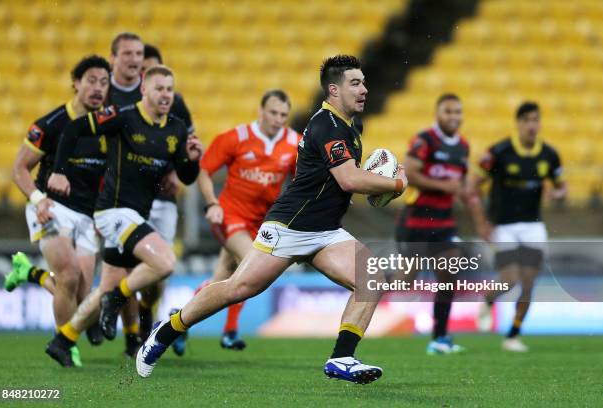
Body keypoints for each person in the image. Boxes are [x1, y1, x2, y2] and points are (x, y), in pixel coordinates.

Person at [136, 55, 407, 384]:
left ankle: (342, 358)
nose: (364, 88)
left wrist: (378, 187)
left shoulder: (352, 125)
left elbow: (346, 181)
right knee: (238, 287)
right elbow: (349, 180)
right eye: (356, 83)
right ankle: (167, 330)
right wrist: (395, 184)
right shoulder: (326, 125)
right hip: (290, 226)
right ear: (334, 90)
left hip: (325, 230)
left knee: (371, 279)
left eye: (364, 82)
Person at [44, 65, 201, 367]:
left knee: (106, 285)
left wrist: (192, 161)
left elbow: (186, 175)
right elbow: (75, 128)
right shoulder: (123, 116)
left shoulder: (177, 128)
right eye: (159, 88)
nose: (166, 94)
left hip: (134, 216)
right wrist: (59, 171)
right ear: (144, 89)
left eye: (170, 89)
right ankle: (118, 298)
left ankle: (63, 339)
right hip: (112, 212)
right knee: (165, 262)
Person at [6, 55, 111, 366]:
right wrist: (38, 199)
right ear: (76, 83)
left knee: (82, 295)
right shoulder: (50, 124)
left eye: (104, 83)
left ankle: (31, 273)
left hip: (88, 215)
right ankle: (65, 345)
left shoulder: (107, 126)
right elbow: (19, 169)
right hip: (51, 208)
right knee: (68, 275)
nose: (97, 88)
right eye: (91, 80)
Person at [190, 89, 299, 352]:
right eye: (273, 112)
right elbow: (203, 170)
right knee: (252, 265)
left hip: (262, 222)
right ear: (261, 111)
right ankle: (229, 331)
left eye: (283, 115)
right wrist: (212, 203)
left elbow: (301, 180)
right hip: (229, 216)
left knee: (223, 278)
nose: (278, 119)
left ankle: (178, 319)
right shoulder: (236, 137)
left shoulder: (295, 142)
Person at [107, 35, 196, 343]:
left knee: (160, 269)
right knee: (129, 267)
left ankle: (147, 314)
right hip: (126, 198)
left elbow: (182, 146)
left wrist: (177, 168)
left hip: (163, 198)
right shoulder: (119, 104)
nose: (139, 71)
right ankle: (134, 333)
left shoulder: (176, 103)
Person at [469, 101, 566, 352]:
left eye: (536, 120)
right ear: (519, 123)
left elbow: (561, 185)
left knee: (529, 282)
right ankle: (488, 299)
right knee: (510, 279)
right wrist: (481, 223)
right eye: (527, 120)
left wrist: (558, 194)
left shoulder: (549, 155)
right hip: (504, 226)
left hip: (533, 226)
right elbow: (472, 187)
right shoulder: (499, 152)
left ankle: (512, 335)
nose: (532, 125)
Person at [394, 93, 470, 355]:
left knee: (449, 274)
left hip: (445, 222)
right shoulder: (424, 140)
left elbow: (462, 183)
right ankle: (368, 285)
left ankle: (439, 338)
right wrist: (443, 185)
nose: (454, 117)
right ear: (438, 114)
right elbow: (410, 174)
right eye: (448, 111)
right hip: (416, 220)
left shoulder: (463, 146)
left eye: (457, 112)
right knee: (405, 281)